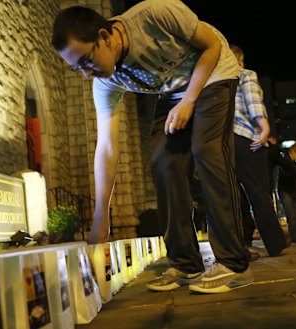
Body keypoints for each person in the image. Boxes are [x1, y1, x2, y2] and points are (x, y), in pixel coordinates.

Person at [51, 0, 252, 294]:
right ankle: (185, 263)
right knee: (163, 161)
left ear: (105, 37)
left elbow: (211, 46)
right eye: (75, 69)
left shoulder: (154, 16)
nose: (85, 73)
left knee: (206, 150)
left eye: (86, 61)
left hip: (214, 73)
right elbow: (106, 147)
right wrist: (100, 217)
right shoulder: (105, 84)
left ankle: (235, 264)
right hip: (173, 91)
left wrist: (189, 100)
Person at [229, 44, 287, 259]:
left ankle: (242, 243)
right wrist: (264, 127)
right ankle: (275, 243)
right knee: (258, 193)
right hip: (246, 138)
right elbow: (253, 101)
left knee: (236, 197)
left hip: (224, 142)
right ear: (238, 59)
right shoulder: (245, 75)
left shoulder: (214, 80)